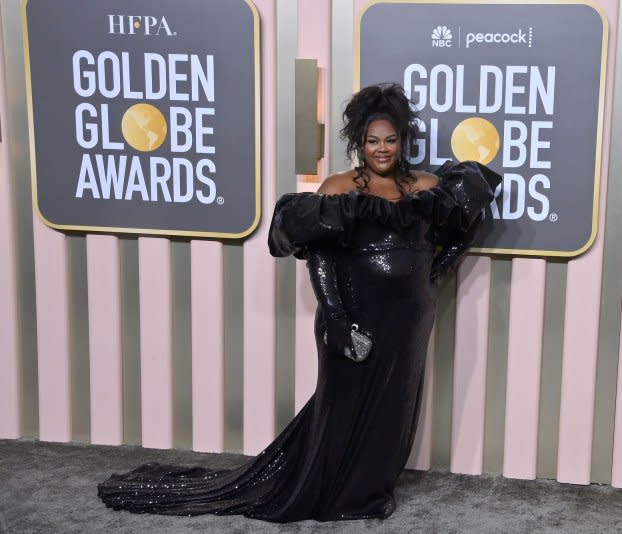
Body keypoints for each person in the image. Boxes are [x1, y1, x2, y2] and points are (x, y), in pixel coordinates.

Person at [97, 83, 501, 522]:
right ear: (358, 142)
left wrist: (437, 271)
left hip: (410, 319)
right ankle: (335, 491)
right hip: (354, 317)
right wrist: (339, 321)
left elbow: (469, 222)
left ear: (402, 140)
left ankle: (371, 491)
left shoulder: (428, 186)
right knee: (342, 405)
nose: (381, 149)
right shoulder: (337, 188)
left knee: (395, 407)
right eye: (371, 140)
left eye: (390, 139)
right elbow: (320, 258)